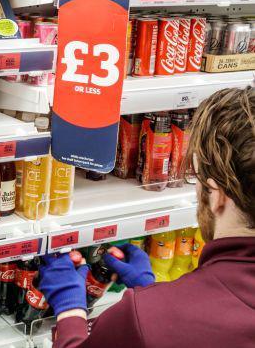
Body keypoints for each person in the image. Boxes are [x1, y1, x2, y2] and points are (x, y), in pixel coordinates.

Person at [39, 87, 255, 347]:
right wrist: (155, 292)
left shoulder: (143, 318)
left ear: (218, 195)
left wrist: (70, 310)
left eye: (197, 178)